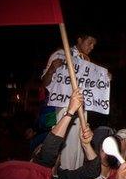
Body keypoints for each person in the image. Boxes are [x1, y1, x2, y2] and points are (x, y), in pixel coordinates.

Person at [41, 33, 97, 170]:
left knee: (79, 148)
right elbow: (44, 83)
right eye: (89, 42)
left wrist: (104, 78)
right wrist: (52, 69)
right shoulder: (60, 55)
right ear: (79, 39)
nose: (92, 47)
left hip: (82, 113)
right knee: (64, 151)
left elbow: (94, 87)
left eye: (94, 45)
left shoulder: (87, 61)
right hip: (63, 110)